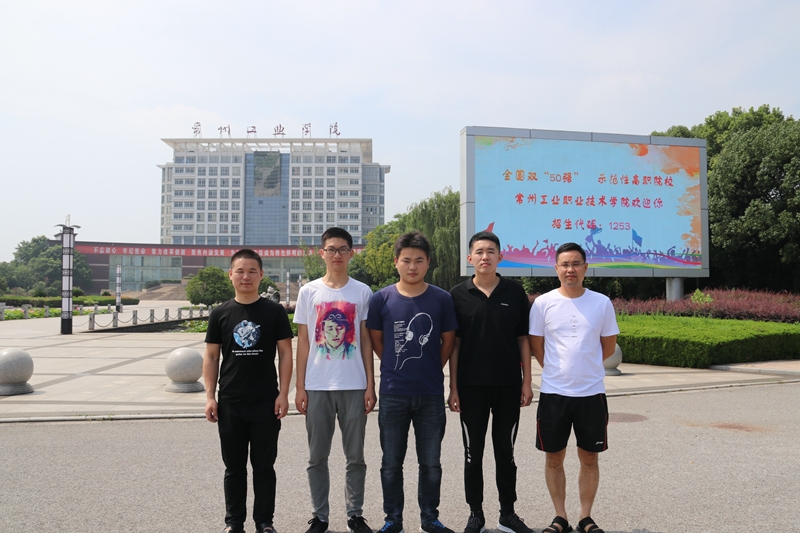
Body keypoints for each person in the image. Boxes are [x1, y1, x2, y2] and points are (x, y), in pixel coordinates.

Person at [367, 231, 458, 533]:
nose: (412, 266)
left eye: (419, 260)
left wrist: (431, 366)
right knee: (391, 463)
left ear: (428, 262)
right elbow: (377, 342)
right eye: (406, 260)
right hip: (393, 393)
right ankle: (393, 519)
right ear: (396, 262)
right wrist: (398, 365)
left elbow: (448, 342)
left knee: (431, 463)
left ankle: (429, 518)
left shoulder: (442, 299)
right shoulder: (381, 299)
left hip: (430, 393)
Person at [528, 242, 619, 533]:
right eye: (565, 264)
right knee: (554, 458)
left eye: (576, 263)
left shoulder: (601, 303)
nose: (571, 269)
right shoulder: (543, 303)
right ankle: (560, 517)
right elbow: (537, 346)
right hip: (554, 393)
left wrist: (584, 367)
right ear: (556, 268)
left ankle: (585, 517)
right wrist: (559, 370)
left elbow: (608, 347)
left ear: (585, 268)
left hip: (591, 393)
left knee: (589, 458)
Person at [203, 248, 294, 533]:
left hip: (266, 401)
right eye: (240, 271)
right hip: (230, 401)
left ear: (261, 275)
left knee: (264, 467)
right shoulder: (220, 313)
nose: (246, 276)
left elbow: (286, 353)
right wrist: (210, 397)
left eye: (252, 271)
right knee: (234, 468)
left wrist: (284, 394)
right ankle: (234, 523)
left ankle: (264, 522)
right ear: (230, 275)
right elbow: (211, 356)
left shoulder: (274, 312)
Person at [448, 231, 534, 533]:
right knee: (473, 454)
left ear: (500, 256)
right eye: (480, 251)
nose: (485, 256)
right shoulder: (457, 295)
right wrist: (453, 387)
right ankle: (476, 514)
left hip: (508, 385)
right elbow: (455, 345)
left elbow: (523, 339)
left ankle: (507, 513)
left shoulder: (514, 292)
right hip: (470, 387)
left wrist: (527, 382)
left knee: (505, 454)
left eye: (491, 251)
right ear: (470, 257)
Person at [294, 227, 376, 533]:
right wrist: (300, 387)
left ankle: (355, 515)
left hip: (354, 385)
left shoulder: (362, 292)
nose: (337, 255)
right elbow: (303, 342)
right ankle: (320, 516)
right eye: (331, 249)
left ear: (351, 253)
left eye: (343, 249)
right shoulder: (308, 292)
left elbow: (365, 341)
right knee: (317, 456)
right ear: (322, 253)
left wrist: (370, 385)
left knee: (355, 457)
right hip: (317, 386)